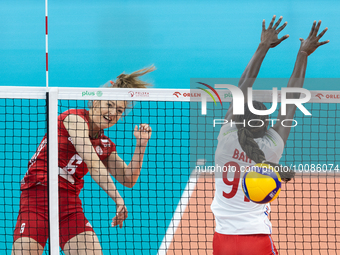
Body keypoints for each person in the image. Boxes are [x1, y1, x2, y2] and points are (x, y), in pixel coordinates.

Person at [211, 16, 329, 255]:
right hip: (256, 239)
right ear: (267, 124)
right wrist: (303, 54)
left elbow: (243, 85)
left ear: (237, 120)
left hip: (222, 240)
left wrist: (262, 46)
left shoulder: (227, 137)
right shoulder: (272, 147)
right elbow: (292, 97)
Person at [12, 66, 155, 255]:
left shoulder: (104, 144)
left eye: (119, 110)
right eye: (109, 105)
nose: (112, 113)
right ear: (96, 102)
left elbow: (128, 178)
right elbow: (94, 164)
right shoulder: (74, 119)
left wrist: (141, 145)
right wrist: (118, 200)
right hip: (36, 199)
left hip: (68, 207)